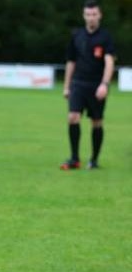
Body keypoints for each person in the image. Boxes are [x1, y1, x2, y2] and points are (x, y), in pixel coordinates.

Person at [61, 0, 115, 170]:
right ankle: (75, 158)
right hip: (78, 83)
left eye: (94, 14)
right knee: (72, 117)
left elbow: (109, 62)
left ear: (99, 15)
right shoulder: (76, 35)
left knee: (96, 121)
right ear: (84, 16)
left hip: (96, 85)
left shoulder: (105, 37)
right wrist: (66, 85)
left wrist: (104, 84)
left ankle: (94, 160)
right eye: (88, 14)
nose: (91, 18)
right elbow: (71, 62)